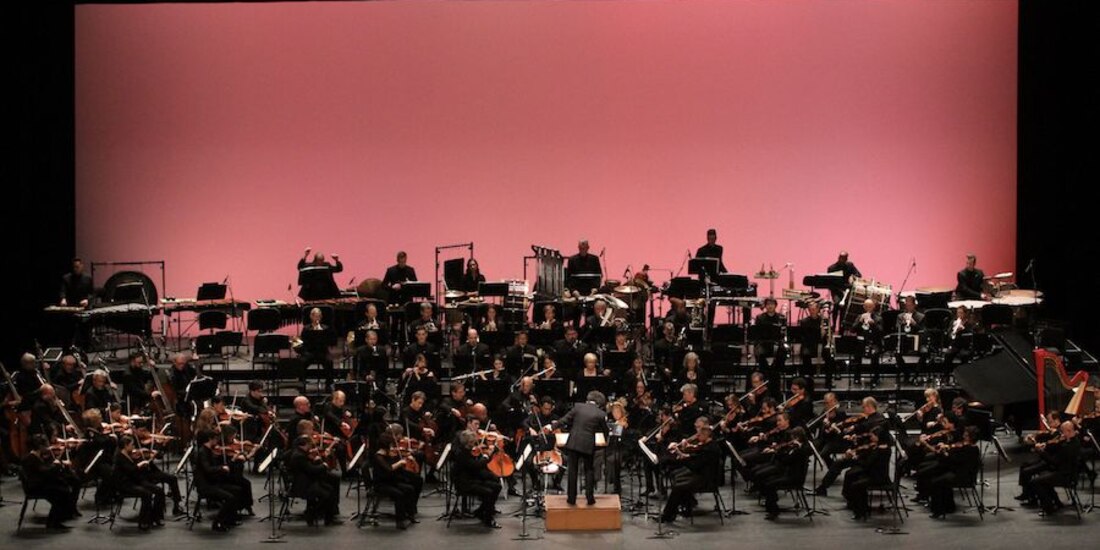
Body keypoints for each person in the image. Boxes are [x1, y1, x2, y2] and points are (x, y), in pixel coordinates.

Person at [549, 390, 609, 505]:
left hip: (574, 443)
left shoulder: (578, 407)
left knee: (572, 471)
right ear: (599, 403)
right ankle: (590, 498)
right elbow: (605, 430)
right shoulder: (601, 414)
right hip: (588, 445)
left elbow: (564, 420)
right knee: (589, 470)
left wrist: (552, 426)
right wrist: (606, 441)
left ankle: (571, 499)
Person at [660, 423, 721, 524]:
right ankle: (684, 508)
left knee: (678, 487)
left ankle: (668, 515)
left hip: (706, 479)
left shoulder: (710, 449)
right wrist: (683, 455)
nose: (697, 437)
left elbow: (695, 465)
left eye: (699, 435)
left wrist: (682, 458)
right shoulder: (708, 445)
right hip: (701, 474)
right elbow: (696, 458)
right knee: (677, 479)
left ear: (706, 435)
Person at [22, 433, 80, 529]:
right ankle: (53, 522)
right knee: (61, 491)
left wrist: (58, 463)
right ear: (40, 446)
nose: (49, 447)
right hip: (35, 486)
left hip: (41, 482)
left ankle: (63, 514)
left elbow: (46, 469)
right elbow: (44, 471)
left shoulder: (39, 455)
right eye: (46, 445)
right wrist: (56, 465)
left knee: (64, 484)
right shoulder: (30, 458)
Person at [113, 434, 167, 530]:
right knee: (146, 494)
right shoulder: (119, 457)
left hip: (135, 481)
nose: (134, 447)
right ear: (126, 445)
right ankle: (144, 521)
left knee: (159, 490)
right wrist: (140, 464)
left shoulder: (128, 455)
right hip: (125, 485)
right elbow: (130, 470)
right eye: (132, 445)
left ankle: (156, 517)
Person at [286, 434, 342, 525]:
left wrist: (315, 461)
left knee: (329, 488)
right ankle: (318, 515)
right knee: (328, 492)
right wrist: (323, 465)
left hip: (305, 481)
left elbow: (307, 467)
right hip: (303, 486)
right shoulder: (299, 456)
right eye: (309, 445)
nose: (310, 447)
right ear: (304, 445)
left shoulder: (298, 452)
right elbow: (312, 470)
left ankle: (318, 514)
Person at [372, 432, 423, 529]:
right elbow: (389, 469)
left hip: (391, 481)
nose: (392, 447)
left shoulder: (388, 454)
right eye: (391, 444)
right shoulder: (378, 456)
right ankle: (400, 521)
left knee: (410, 488)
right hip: (381, 484)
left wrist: (404, 460)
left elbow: (395, 469)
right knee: (399, 494)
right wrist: (399, 463)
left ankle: (410, 514)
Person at [453, 430, 503, 528]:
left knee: (497, 487)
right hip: (465, 483)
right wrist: (485, 456)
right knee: (489, 492)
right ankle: (488, 519)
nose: (475, 444)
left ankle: (480, 512)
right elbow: (476, 466)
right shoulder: (462, 454)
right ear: (468, 443)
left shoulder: (467, 451)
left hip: (472, 479)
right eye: (473, 442)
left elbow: (476, 468)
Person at [798, 301, 834, 390]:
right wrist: (819, 333)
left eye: (814, 309)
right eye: (810, 309)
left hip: (822, 344)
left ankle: (828, 382)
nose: (812, 311)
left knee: (830, 357)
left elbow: (828, 336)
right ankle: (809, 380)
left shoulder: (824, 320)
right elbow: (804, 337)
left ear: (818, 309)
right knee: (806, 354)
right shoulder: (804, 322)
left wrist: (824, 334)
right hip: (809, 345)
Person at [849, 299, 882, 387]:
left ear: (873, 307)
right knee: (857, 355)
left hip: (874, 343)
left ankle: (876, 378)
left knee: (875, 355)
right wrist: (860, 321)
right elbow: (852, 330)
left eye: (870, 307)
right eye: (866, 307)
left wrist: (873, 323)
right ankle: (857, 377)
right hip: (861, 343)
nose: (868, 309)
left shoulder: (878, 318)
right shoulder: (860, 316)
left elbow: (881, 331)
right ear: (863, 307)